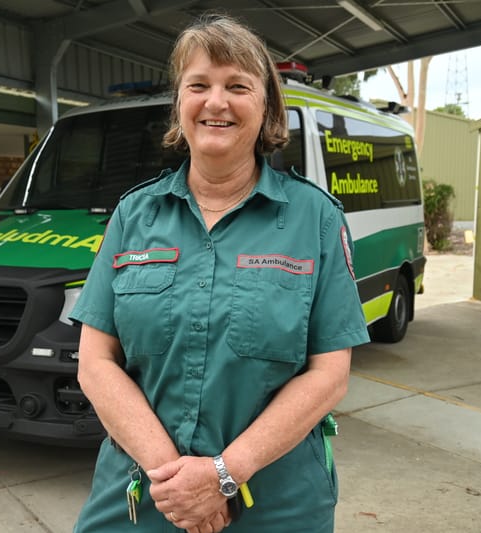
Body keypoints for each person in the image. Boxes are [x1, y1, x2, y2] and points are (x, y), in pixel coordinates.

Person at [70, 13, 369, 533]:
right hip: (143, 495)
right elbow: (96, 363)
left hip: (276, 501)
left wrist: (224, 475)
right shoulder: (133, 216)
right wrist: (179, 484)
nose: (216, 102)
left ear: (266, 107)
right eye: (199, 85)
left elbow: (329, 374)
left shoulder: (316, 219)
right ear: (179, 104)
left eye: (238, 86)